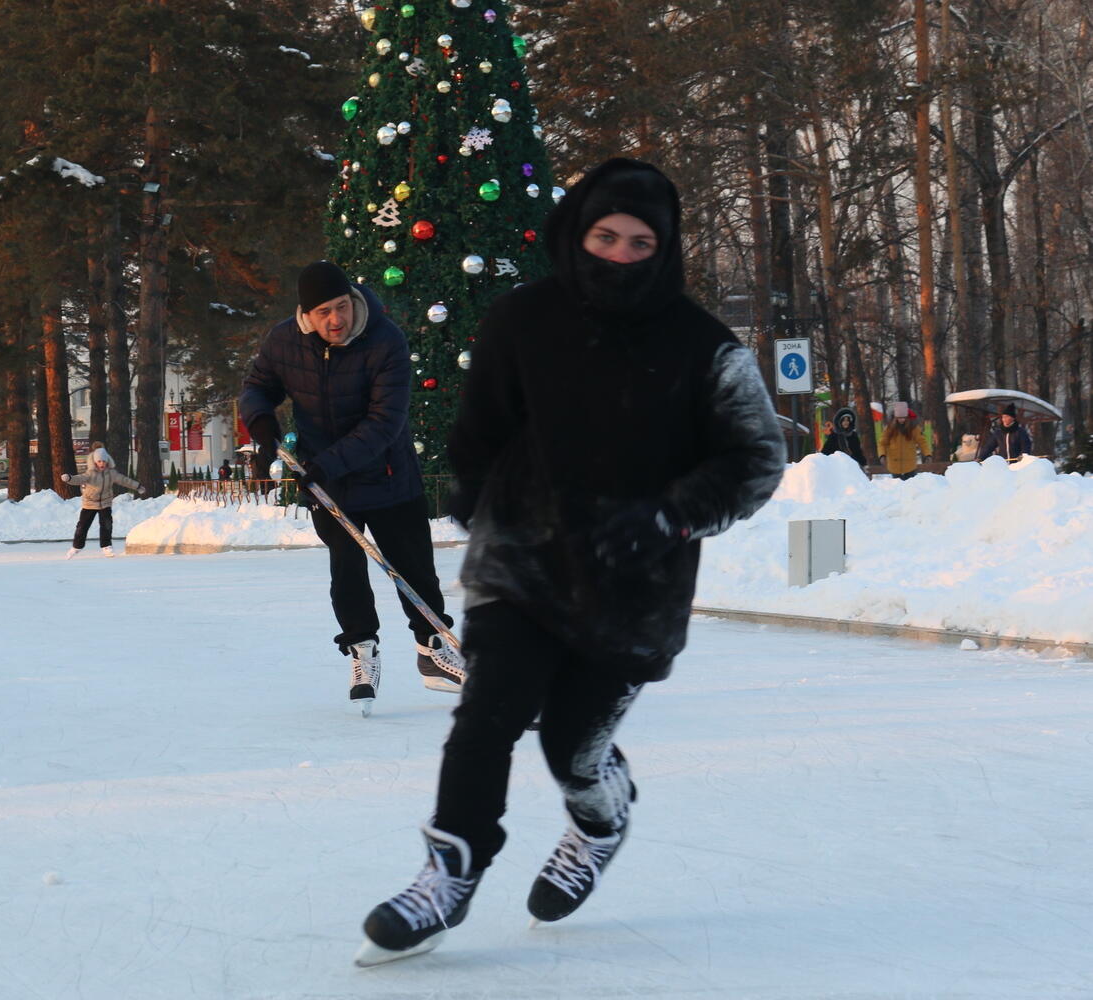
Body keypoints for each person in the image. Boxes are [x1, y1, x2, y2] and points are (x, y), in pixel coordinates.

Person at [355, 158, 786, 965]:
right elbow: (480, 425)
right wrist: (477, 495)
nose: (619, 255)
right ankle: (449, 871)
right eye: (604, 236)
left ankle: (599, 818)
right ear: (576, 232)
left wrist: (670, 516)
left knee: (570, 747)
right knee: (487, 715)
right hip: (521, 563)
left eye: (639, 242)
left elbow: (757, 457)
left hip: (635, 584)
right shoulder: (522, 320)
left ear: (665, 249)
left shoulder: (705, 348)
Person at [240, 259, 467, 713]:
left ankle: (433, 649)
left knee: (414, 568)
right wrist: (261, 421)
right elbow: (258, 385)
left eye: (341, 306)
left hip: (388, 476)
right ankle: (362, 648)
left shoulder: (384, 339)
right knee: (346, 567)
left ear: (353, 300)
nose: (336, 320)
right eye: (324, 311)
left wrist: (324, 465)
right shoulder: (286, 340)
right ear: (307, 313)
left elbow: (384, 423)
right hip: (328, 482)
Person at [62, 444, 144, 558]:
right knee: (82, 526)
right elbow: (79, 479)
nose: (102, 464)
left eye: (104, 461)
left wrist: (138, 486)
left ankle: (106, 546)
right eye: (99, 461)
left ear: (107, 461)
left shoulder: (111, 473)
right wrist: (69, 478)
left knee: (107, 525)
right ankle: (76, 547)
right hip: (89, 503)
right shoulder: (90, 473)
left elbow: (124, 480)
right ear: (95, 462)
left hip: (105, 503)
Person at [880, 401, 928, 478]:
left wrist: (927, 454)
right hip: (894, 466)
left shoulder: (913, 428)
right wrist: (882, 455)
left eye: (903, 417)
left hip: (910, 466)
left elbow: (922, 441)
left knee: (911, 487)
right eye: (899, 418)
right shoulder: (889, 429)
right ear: (895, 417)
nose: (901, 420)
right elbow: (882, 443)